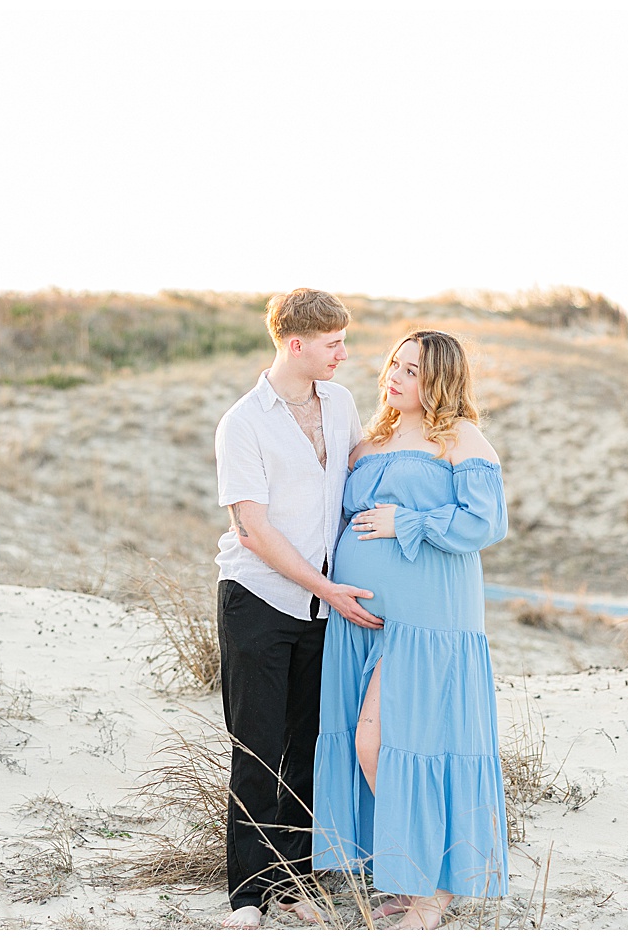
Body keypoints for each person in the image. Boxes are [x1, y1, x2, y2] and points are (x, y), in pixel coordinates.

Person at [312, 329, 510, 930]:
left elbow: (486, 522)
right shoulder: (368, 440)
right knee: (372, 744)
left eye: (412, 371)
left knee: (394, 744)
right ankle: (403, 873)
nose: (394, 377)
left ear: (441, 380)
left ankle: (433, 890)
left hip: (428, 623)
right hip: (360, 621)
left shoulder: (460, 438)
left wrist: (408, 520)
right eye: (394, 365)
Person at [213, 288, 384, 929]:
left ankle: (295, 879)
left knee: (309, 743)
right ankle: (248, 894)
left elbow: (360, 465)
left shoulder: (339, 402)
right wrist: (323, 584)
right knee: (257, 746)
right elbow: (251, 528)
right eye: (333, 344)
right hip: (260, 601)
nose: (344, 354)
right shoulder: (244, 422)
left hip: (324, 606)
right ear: (296, 344)